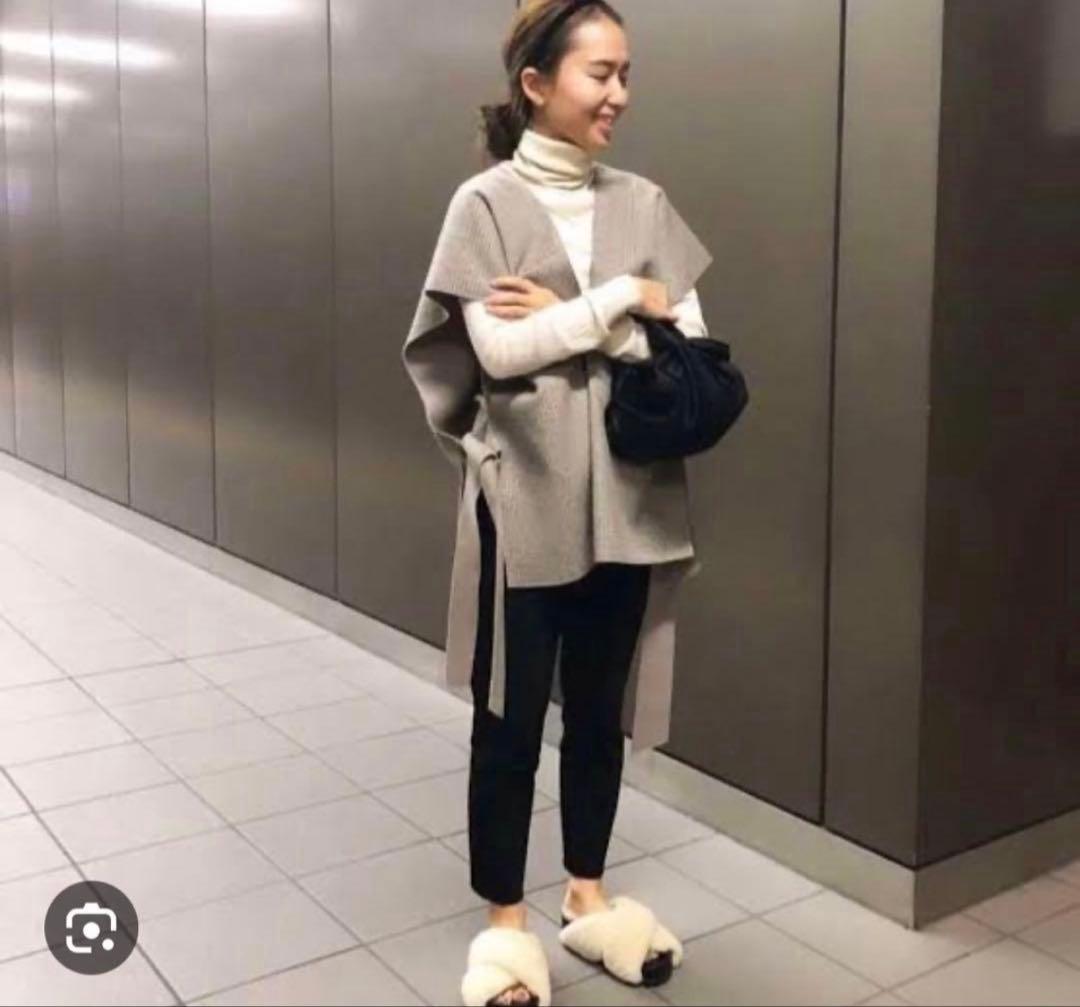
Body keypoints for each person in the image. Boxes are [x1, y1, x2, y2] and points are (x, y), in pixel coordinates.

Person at [451, 2, 709, 1004]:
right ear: (536, 82)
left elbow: (690, 349)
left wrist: (578, 315)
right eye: (600, 73)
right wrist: (623, 303)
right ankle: (504, 923)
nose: (620, 95)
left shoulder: (645, 203)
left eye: (626, 73)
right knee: (510, 717)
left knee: (600, 713)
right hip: (524, 502)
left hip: (629, 505)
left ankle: (586, 894)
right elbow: (499, 351)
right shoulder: (483, 206)